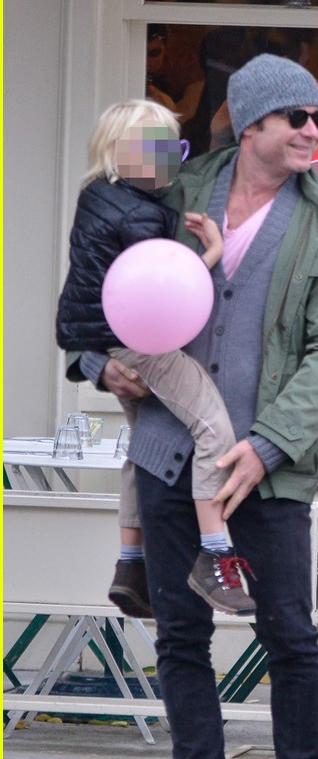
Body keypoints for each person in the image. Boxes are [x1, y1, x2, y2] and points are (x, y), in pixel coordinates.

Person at [70, 54, 318, 759]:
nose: (315, 129)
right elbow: (95, 266)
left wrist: (269, 441)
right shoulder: (172, 183)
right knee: (180, 635)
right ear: (251, 127)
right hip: (169, 449)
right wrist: (96, 361)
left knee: (290, 637)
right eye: (297, 117)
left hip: (266, 464)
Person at [56, 98, 256, 618]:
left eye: (174, 147)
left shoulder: (97, 198)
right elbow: (161, 288)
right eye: (156, 149)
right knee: (214, 424)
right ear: (117, 155)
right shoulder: (138, 212)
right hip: (141, 341)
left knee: (139, 448)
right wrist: (211, 254)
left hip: (104, 341)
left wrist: (94, 359)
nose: (169, 160)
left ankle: (129, 564)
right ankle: (215, 554)